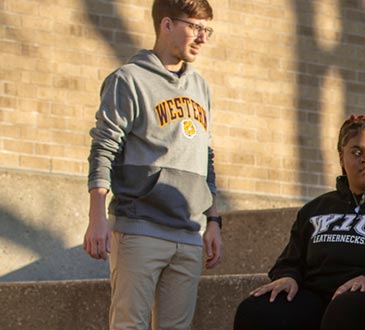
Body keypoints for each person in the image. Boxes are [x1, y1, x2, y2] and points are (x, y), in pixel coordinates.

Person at [82, 1, 222, 328]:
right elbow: (104, 147)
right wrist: (96, 216)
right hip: (139, 226)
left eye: (207, 30)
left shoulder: (201, 87)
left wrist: (213, 219)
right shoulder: (128, 80)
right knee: (130, 324)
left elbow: (206, 155)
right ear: (167, 24)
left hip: (188, 232)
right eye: (195, 27)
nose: (202, 37)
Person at [232, 115, 365, 329]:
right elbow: (290, 260)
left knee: (346, 310)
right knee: (256, 310)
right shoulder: (316, 209)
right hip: (315, 295)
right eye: (356, 152)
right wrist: (287, 276)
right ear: (341, 158)